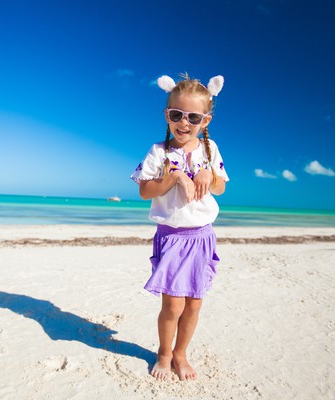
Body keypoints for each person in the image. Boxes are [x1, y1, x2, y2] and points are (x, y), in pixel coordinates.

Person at [130, 73, 229, 381]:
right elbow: (145, 191)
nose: (184, 123)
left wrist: (206, 176)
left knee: (194, 304)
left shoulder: (209, 150)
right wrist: (172, 177)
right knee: (172, 305)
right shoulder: (159, 152)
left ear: (205, 119)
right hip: (172, 237)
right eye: (177, 115)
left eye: (193, 117)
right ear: (167, 115)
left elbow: (222, 187)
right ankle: (163, 353)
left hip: (201, 238)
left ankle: (181, 353)